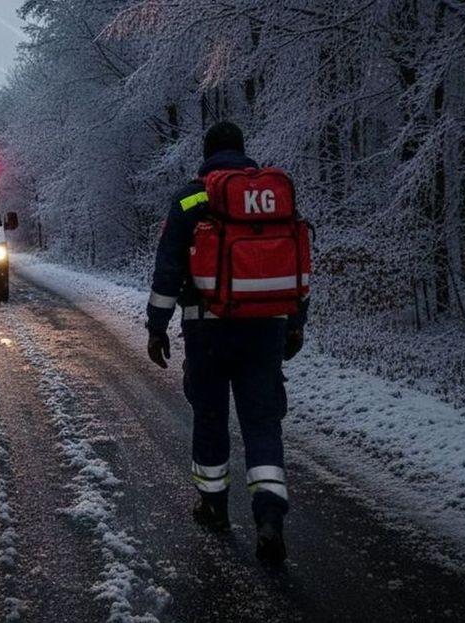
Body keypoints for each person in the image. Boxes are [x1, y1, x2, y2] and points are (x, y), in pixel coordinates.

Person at [145, 121, 306, 565]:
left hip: (208, 329)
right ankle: (269, 517)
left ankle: (213, 508)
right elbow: (295, 260)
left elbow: (168, 267)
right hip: (267, 328)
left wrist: (156, 326)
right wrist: (295, 323)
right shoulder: (276, 197)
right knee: (262, 422)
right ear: (242, 150)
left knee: (211, 417)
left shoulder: (193, 197)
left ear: (207, 153)